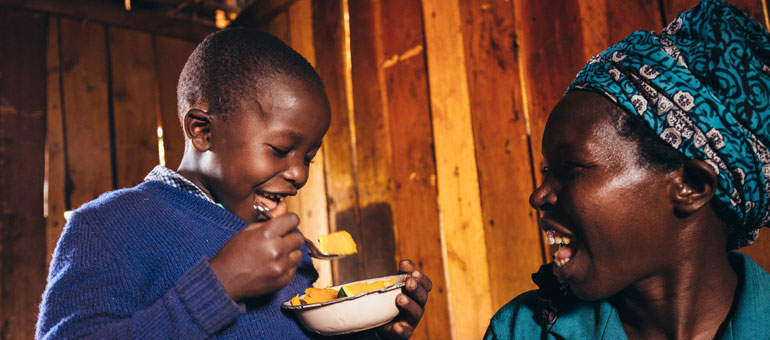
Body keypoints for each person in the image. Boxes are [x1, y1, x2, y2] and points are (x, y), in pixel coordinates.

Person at [36, 28, 431, 340]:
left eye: (308, 157)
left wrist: (368, 332)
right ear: (202, 131)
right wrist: (219, 286)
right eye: (280, 149)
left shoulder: (280, 249)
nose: (300, 174)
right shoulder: (109, 227)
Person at [484, 0, 770, 339]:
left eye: (571, 167)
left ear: (691, 185)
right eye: (547, 171)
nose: (538, 196)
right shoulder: (521, 331)